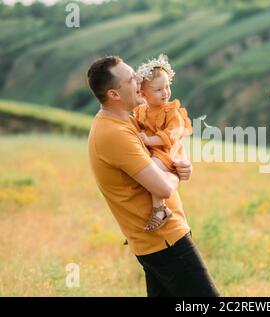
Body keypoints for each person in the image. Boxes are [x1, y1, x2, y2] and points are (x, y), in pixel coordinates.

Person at [87, 56, 219, 297]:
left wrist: (178, 162)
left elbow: (164, 151)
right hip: (165, 240)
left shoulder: (124, 122)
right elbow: (164, 188)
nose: (139, 79)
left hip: (157, 240)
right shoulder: (115, 134)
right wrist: (176, 173)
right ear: (114, 94)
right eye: (130, 79)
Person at [133, 54, 192, 232]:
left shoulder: (171, 112)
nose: (165, 92)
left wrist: (149, 140)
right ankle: (142, 215)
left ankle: (160, 210)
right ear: (144, 94)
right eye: (159, 90)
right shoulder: (142, 110)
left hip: (167, 153)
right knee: (143, 174)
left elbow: (171, 135)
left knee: (151, 169)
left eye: (167, 87)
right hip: (155, 150)